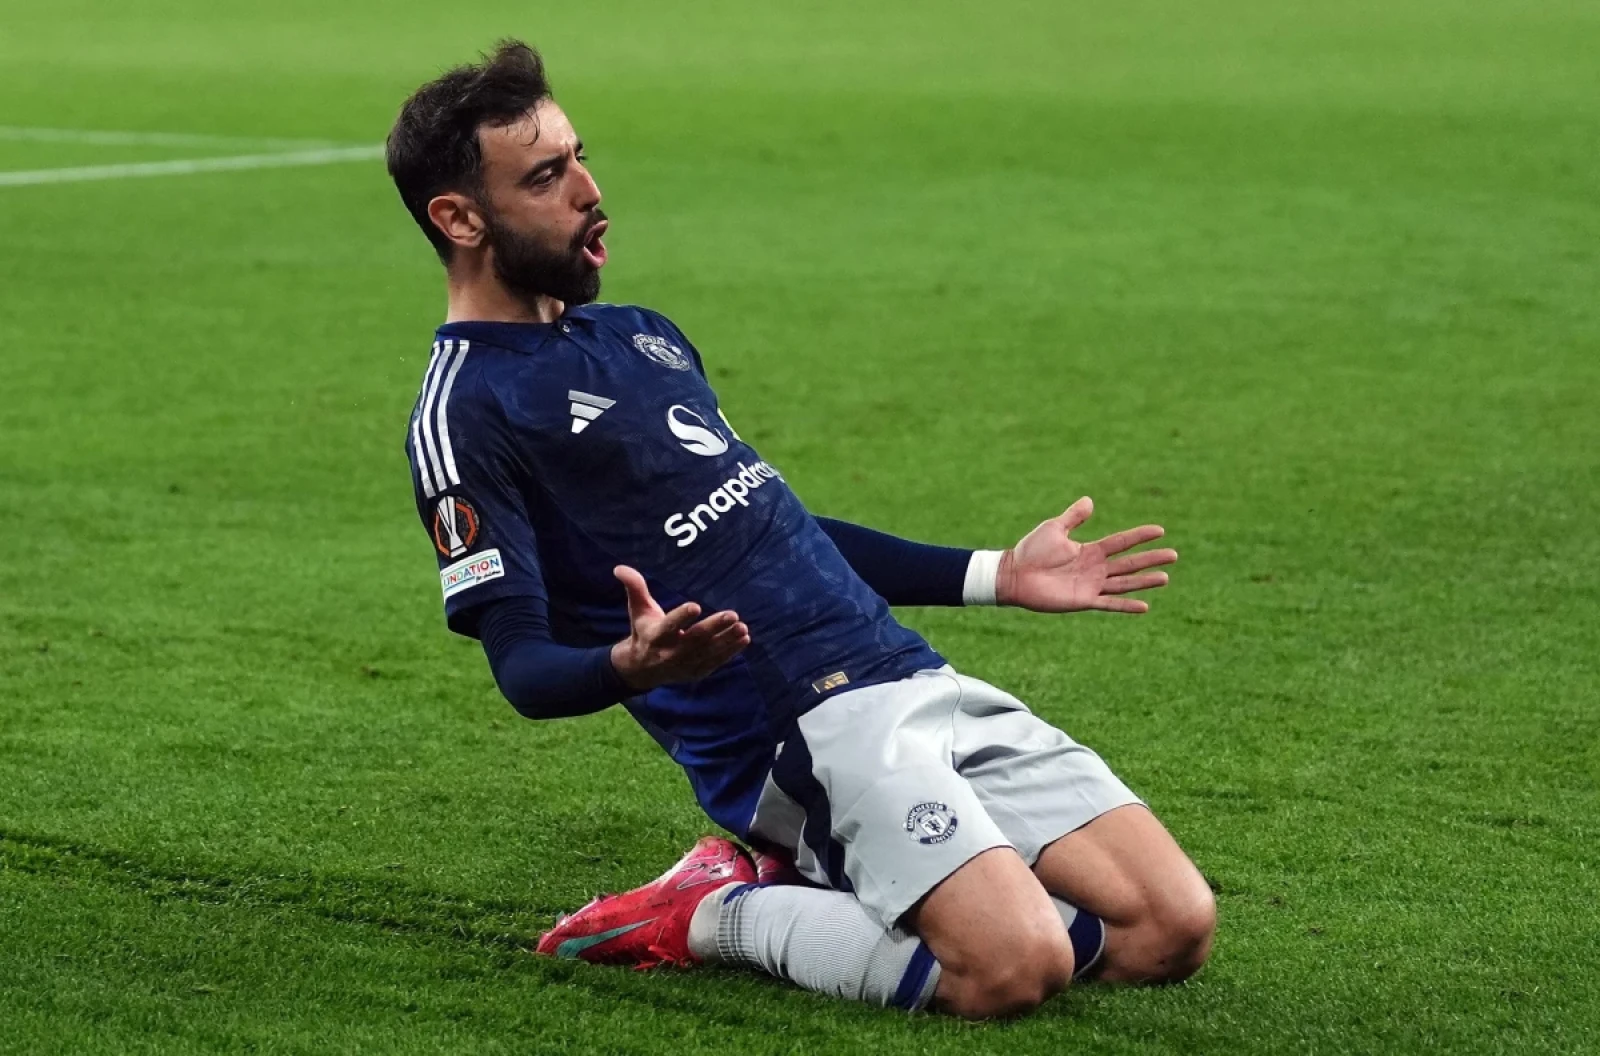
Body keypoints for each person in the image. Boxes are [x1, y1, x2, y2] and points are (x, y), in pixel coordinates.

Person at [387, 40, 1214, 1019]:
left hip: (907, 672)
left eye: (578, 156)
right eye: (546, 175)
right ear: (457, 216)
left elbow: (769, 527)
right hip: (798, 729)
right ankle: (715, 910)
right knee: (1009, 968)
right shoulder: (466, 412)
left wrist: (999, 574)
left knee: (1169, 929)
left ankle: (906, 887)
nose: (588, 190)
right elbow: (521, 664)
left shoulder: (638, 333)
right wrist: (631, 665)